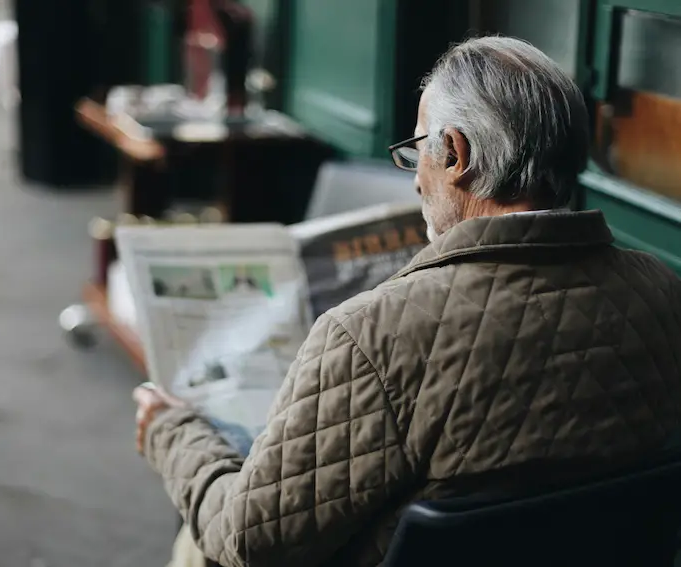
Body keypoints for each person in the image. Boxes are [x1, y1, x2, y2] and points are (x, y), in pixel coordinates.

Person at [132, 36, 681, 567]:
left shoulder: (372, 336)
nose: (416, 180)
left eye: (418, 148)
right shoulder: (662, 291)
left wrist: (170, 430)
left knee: (201, 538)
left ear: (456, 153)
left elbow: (249, 542)